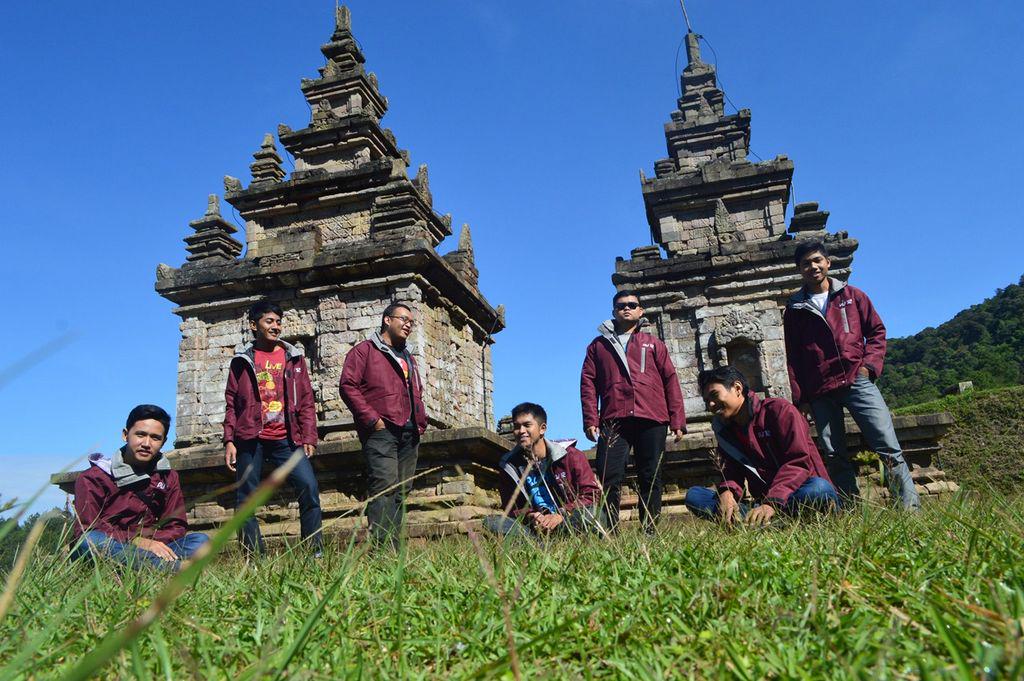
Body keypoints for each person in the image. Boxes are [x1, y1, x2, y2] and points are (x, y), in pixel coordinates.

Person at [783, 240, 920, 509]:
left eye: (817, 260)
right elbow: (793, 357)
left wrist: (869, 367)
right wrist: (801, 398)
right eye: (806, 264)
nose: (813, 267)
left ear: (828, 263)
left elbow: (877, 331)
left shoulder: (852, 296)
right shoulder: (795, 309)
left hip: (857, 378)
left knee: (887, 444)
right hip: (820, 389)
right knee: (834, 453)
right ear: (799, 270)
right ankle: (850, 509)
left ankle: (908, 508)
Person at [580, 290, 686, 532]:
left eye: (631, 305)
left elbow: (670, 379)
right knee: (609, 475)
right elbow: (588, 381)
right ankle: (610, 530)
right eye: (620, 306)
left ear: (641, 311)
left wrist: (677, 419)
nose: (626, 308)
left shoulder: (654, 344)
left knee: (651, 475)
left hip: (652, 416)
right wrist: (590, 418)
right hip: (614, 417)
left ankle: (649, 529)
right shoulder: (598, 346)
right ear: (613, 312)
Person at [224, 299, 322, 554]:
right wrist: (229, 441)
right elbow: (232, 403)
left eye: (278, 322)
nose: (276, 326)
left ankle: (315, 552)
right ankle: (254, 556)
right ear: (253, 325)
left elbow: (307, 400)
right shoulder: (241, 360)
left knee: (309, 487)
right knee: (245, 498)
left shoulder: (294, 358)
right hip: (250, 436)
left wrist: (309, 436)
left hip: (287, 438)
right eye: (269, 321)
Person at [684, 366, 839, 525]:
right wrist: (727, 493)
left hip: (797, 492)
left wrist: (772, 501)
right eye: (706, 401)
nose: (710, 404)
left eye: (714, 395)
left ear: (737, 388)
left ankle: (765, 521)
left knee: (820, 489)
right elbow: (731, 471)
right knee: (695, 496)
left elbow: (798, 462)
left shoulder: (779, 411)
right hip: (763, 501)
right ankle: (764, 520)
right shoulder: (726, 430)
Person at [71, 405, 209, 570]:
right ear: (125, 435)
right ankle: (173, 569)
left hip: (153, 544)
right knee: (88, 541)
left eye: (155, 438)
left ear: (163, 441)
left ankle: (147, 566)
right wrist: (136, 540)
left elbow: (176, 526)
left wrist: (152, 542)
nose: (146, 443)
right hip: (111, 546)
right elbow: (88, 528)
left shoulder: (168, 476)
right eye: (140, 434)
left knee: (201, 541)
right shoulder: (94, 477)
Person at [340, 301, 427, 547]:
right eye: (403, 319)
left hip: (410, 431)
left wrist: (421, 421)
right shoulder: (364, 351)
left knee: (401, 491)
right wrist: (372, 419)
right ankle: (381, 548)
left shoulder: (408, 357)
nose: (408, 325)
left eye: (411, 322)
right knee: (384, 487)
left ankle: (394, 546)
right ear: (387, 320)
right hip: (382, 430)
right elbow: (348, 386)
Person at [483, 402, 606, 539]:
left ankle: (563, 540)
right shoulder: (510, 466)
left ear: (542, 429)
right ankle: (537, 546)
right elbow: (512, 509)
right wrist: (531, 516)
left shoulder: (570, 455)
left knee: (595, 513)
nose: (521, 431)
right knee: (491, 522)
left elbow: (592, 495)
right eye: (517, 427)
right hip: (534, 530)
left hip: (567, 522)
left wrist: (562, 513)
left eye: (527, 425)